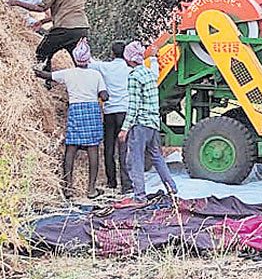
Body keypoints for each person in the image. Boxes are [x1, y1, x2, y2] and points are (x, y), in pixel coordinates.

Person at [34, 38, 108, 200]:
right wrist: (100, 95)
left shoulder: (68, 74)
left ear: (74, 58)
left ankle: (68, 188)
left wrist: (33, 70)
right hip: (92, 111)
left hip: (75, 110)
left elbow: (47, 75)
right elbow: (104, 95)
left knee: (71, 148)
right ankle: (91, 190)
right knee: (92, 148)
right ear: (88, 59)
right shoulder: (96, 75)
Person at [116, 41, 177, 208]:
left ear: (129, 59)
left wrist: (124, 129)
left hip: (140, 125)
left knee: (134, 160)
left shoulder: (134, 76)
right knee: (157, 157)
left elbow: (134, 106)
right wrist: (155, 57)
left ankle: (139, 196)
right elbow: (156, 72)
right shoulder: (149, 73)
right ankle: (172, 188)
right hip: (153, 123)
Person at [6, 0, 89, 71]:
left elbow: (41, 8)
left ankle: (45, 81)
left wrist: (16, 2)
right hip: (82, 29)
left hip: (65, 29)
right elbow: (64, 11)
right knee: (79, 60)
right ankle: (85, 84)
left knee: (42, 52)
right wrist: (42, 22)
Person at [89, 40, 133, 193]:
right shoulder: (129, 70)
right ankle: (126, 184)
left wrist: (84, 44)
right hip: (124, 112)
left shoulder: (105, 67)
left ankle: (111, 182)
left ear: (112, 53)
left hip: (109, 112)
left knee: (109, 148)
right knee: (124, 149)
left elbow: (89, 62)